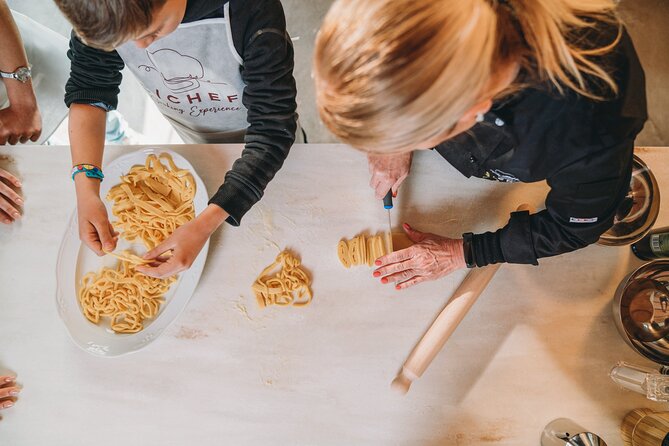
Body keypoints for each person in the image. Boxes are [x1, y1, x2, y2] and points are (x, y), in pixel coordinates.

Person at [314, 0, 647, 289]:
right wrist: (391, 134)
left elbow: (572, 226)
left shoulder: (591, 122)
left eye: (415, 135)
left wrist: (465, 252)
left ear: (472, 114)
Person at [54, 0, 299, 277]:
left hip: (269, 145)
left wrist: (204, 225)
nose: (142, 47)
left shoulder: (252, 11)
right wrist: (86, 189)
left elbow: (273, 130)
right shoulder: (100, 13)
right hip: (194, 131)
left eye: (154, 31)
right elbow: (89, 91)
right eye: (125, 41)